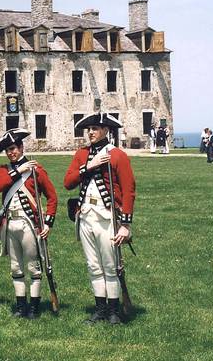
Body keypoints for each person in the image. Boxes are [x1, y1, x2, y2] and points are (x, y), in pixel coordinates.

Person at [64, 112, 136, 325]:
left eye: (95, 128)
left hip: (107, 216)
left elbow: (129, 189)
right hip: (85, 216)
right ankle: (100, 309)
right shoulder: (82, 154)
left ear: (106, 130)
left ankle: (114, 310)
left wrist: (125, 224)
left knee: (110, 265)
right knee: (93, 265)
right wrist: (89, 165)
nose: (91, 132)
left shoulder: (117, 155)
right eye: (89, 129)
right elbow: (68, 182)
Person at [0, 129, 57, 319]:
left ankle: (34, 308)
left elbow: (52, 197)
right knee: (15, 267)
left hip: (29, 223)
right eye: (8, 150)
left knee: (34, 267)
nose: (11, 153)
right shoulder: (4, 170)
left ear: (21, 147)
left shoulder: (36, 170)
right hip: (9, 223)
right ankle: (21, 307)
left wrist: (48, 223)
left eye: (13, 148)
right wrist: (18, 171)